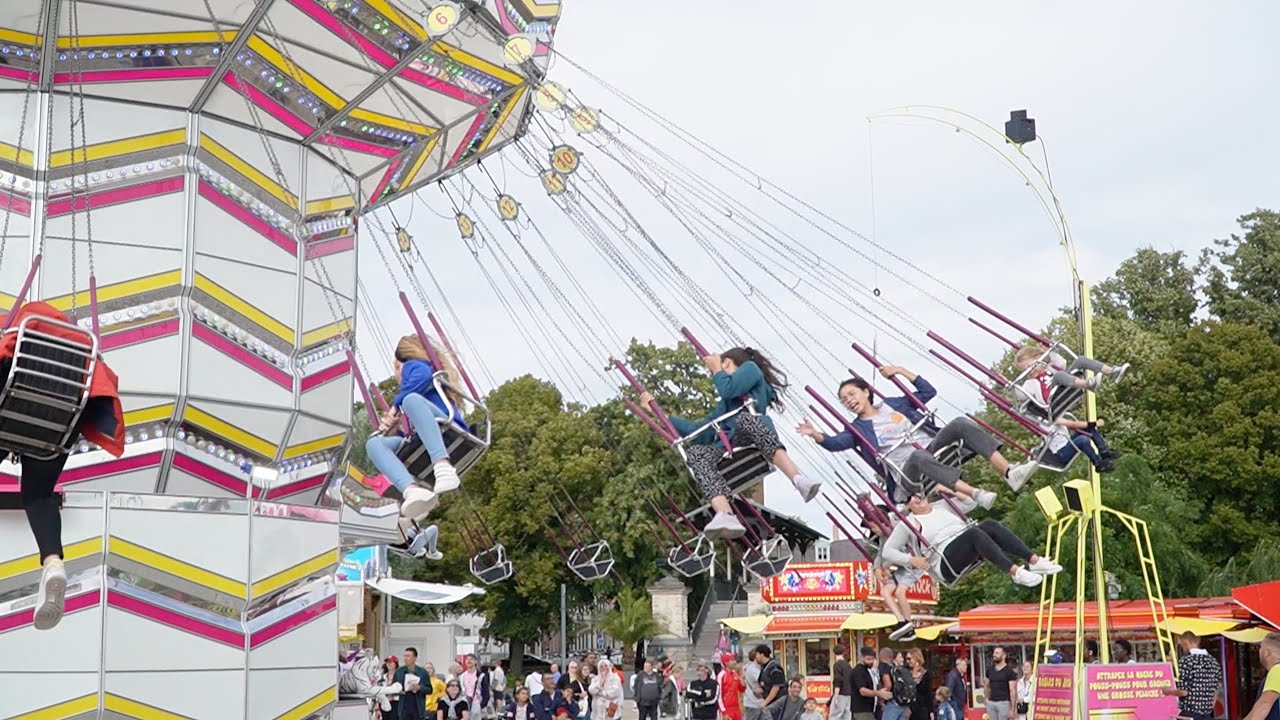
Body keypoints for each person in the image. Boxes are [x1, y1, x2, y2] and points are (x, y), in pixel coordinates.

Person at [1, 301, 126, 630]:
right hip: (57, 424)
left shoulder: (13, 330)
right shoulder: (80, 351)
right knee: (38, 496)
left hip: (9, 408)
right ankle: (53, 562)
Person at [641, 347, 821, 539]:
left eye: (722, 366)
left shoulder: (751, 370)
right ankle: (725, 513)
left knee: (746, 420)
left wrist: (717, 369)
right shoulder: (725, 406)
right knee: (696, 453)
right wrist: (658, 413)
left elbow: (730, 389)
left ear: (728, 362)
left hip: (750, 439)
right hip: (729, 448)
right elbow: (697, 431)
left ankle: (798, 480)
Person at [799, 370, 1037, 503]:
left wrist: (900, 371)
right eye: (844, 400)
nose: (850, 401)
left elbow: (927, 392)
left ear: (866, 391)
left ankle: (1008, 471)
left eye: (852, 393)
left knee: (960, 423)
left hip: (932, 448)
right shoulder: (857, 429)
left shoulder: (894, 404)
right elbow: (836, 443)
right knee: (918, 456)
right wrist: (816, 435)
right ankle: (973, 493)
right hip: (908, 472)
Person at [366, 335, 468, 521]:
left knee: (410, 400)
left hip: (445, 423)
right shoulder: (413, 394)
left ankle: (442, 465)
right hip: (421, 435)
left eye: (397, 367)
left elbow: (422, 375)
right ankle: (411, 490)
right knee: (374, 444)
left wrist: (396, 406)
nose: (397, 375)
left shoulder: (416, 367)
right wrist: (393, 429)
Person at [880, 491, 1062, 589]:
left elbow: (971, 502)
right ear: (907, 505)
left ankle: (1034, 561)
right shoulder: (908, 523)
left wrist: (947, 489)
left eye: (919, 494)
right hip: (945, 560)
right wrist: (911, 560)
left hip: (966, 543)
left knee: (989, 524)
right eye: (911, 498)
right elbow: (888, 551)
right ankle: (1015, 572)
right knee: (974, 533)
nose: (918, 499)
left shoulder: (942, 506)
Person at [1013, 344, 1129, 400]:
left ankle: (1111, 372)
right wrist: (1012, 387)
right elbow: (1021, 395)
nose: (1030, 371)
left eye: (1030, 366)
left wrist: (1050, 353)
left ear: (1038, 358)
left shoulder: (1050, 367)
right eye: (1026, 371)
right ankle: (1087, 384)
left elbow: (1062, 363)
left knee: (1081, 360)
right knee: (1058, 376)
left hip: (1065, 386)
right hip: (1053, 397)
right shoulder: (1031, 383)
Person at [1161, 632, 1222, 720]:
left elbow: (1183, 692)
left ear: (1186, 642)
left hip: (1190, 713)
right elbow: (1215, 692)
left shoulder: (1187, 660)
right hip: (1207, 714)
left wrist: (1167, 691)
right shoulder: (1213, 662)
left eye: (1182, 645)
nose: (1183, 648)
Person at [873, 556, 921, 642]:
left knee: (899, 592)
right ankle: (901, 620)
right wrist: (877, 567)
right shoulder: (883, 542)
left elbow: (897, 552)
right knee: (885, 591)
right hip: (902, 568)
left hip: (913, 566)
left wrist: (886, 566)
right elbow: (881, 552)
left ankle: (908, 623)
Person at [1243, 632, 1280, 720]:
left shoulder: (1277, 670)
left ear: (1267, 652)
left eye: (1261, 647)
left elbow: (1264, 704)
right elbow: (1257, 709)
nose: (1259, 651)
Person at [850, 646, 888, 720]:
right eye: (868, 659)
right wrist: (878, 693)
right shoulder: (859, 671)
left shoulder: (867, 670)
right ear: (862, 658)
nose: (871, 662)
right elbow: (862, 691)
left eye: (872, 659)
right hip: (861, 710)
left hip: (868, 709)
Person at [396, 647, 433, 720]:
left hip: (417, 706)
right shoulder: (399, 671)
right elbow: (394, 686)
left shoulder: (422, 672)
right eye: (405, 656)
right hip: (404, 705)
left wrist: (419, 688)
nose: (406, 658)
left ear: (415, 658)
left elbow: (429, 689)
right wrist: (398, 690)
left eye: (408, 656)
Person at [982, 647, 1017, 720]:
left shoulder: (1010, 672)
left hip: (1004, 703)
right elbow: (986, 685)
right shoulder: (989, 670)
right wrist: (986, 699)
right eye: (994, 653)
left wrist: (1012, 709)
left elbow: (1012, 691)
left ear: (1004, 655)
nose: (994, 655)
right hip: (991, 703)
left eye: (997, 653)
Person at [753, 645, 788, 713]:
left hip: (777, 704)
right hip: (769, 704)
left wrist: (765, 703)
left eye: (756, 654)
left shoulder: (775, 668)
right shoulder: (763, 668)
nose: (756, 657)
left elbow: (775, 688)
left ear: (762, 654)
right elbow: (760, 682)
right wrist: (758, 688)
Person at [878, 647, 906, 720]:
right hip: (902, 703)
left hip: (891, 703)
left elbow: (888, 684)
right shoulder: (896, 668)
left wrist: (882, 700)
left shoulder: (883, 666)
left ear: (881, 656)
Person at [903, 649, 931, 720]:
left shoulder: (926, 674)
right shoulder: (905, 672)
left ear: (916, 658)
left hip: (921, 708)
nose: (907, 661)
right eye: (906, 659)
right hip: (908, 708)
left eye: (909, 659)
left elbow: (928, 694)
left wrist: (931, 711)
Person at [829, 645, 854, 720]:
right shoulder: (848, 665)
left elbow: (838, 680)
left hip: (840, 694)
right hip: (849, 694)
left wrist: (835, 696)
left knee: (835, 715)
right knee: (847, 716)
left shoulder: (837, 665)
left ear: (834, 653)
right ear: (843, 652)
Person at [718, 655, 745, 720]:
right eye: (732, 660)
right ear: (726, 663)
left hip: (736, 708)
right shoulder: (722, 675)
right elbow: (719, 695)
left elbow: (742, 689)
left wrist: (742, 677)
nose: (735, 662)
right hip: (727, 708)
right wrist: (724, 712)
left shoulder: (735, 674)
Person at [742, 648, 764, 720]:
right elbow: (763, 680)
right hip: (753, 703)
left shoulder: (751, 667)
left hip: (757, 703)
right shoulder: (752, 669)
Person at [380, 655, 402, 720]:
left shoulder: (400, 676)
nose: (389, 664)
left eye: (391, 662)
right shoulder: (382, 677)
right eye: (387, 662)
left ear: (395, 664)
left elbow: (403, 690)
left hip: (396, 703)